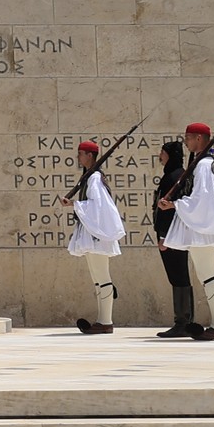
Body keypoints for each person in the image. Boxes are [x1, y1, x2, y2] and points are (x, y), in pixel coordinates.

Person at [157, 123, 214, 341]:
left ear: (199, 138)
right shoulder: (204, 162)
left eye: (188, 138)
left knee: (208, 275)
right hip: (202, 226)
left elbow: (203, 199)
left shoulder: (203, 165)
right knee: (207, 275)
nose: (186, 143)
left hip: (203, 227)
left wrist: (175, 205)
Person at [68, 139, 125, 334]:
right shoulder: (89, 176)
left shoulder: (94, 178)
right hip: (91, 233)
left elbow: (98, 206)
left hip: (96, 234)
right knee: (97, 278)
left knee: (103, 276)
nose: (78, 157)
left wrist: (75, 204)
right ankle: (102, 320)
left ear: (89, 156)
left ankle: (106, 321)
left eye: (81, 153)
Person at [151, 140, 192, 339]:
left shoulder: (174, 177)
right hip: (173, 235)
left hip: (172, 236)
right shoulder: (175, 175)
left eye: (163, 152)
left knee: (178, 276)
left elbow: (168, 212)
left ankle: (183, 322)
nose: (160, 155)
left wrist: (164, 237)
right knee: (178, 275)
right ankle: (184, 321)